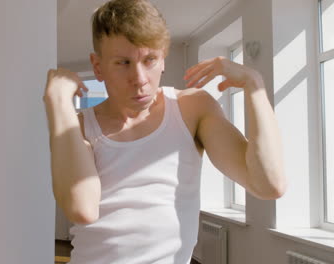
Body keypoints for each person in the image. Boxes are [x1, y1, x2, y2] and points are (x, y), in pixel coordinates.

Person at [44, 0, 286, 263]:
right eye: (123, 62)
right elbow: (82, 209)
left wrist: (255, 85)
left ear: (163, 59)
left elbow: (268, 184)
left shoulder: (191, 108)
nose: (139, 78)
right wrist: (58, 103)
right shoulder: (81, 125)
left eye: (149, 60)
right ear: (98, 66)